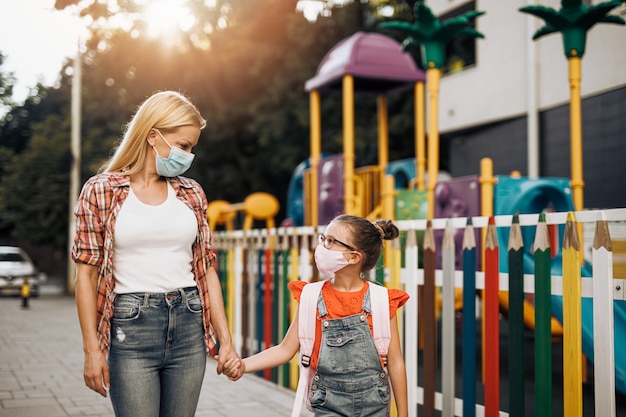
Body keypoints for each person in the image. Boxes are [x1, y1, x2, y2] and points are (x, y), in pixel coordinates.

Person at [71, 90, 241, 417]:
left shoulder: (191, 193)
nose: (188, 156)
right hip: (130, 328)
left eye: (192, 148)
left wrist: (226, 340)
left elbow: (206, 271)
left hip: (189, 324)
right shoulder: (101, 190)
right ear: (153, 135)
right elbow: (86, 276)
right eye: (183, 146)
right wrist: (91, 351)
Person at [225, 214, 409, 417]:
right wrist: (243, 365)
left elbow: (395, 362)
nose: (322, 246)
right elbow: (285, 350)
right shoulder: (311, 297)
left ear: (354, 257)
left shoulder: (382, 300)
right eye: (324, 239)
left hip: (376, 406)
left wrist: (403, 413)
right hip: (328, 404)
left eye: (331, 242)